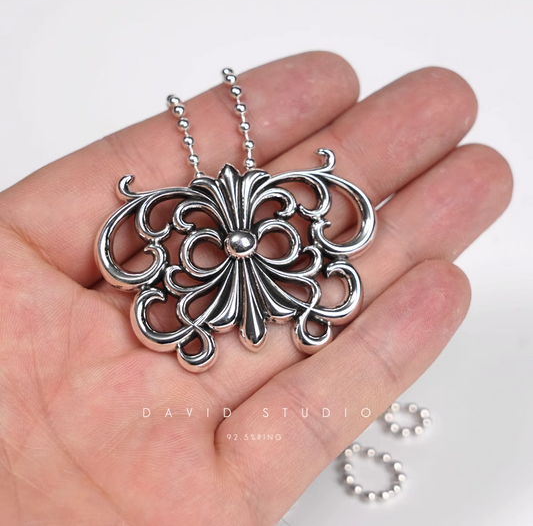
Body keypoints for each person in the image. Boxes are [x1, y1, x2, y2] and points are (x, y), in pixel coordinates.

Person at [0, 52, 512, 525]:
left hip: (239, 295)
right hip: (246, 294)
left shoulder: (211, 217)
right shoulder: (254, 211)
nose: (241, 242)